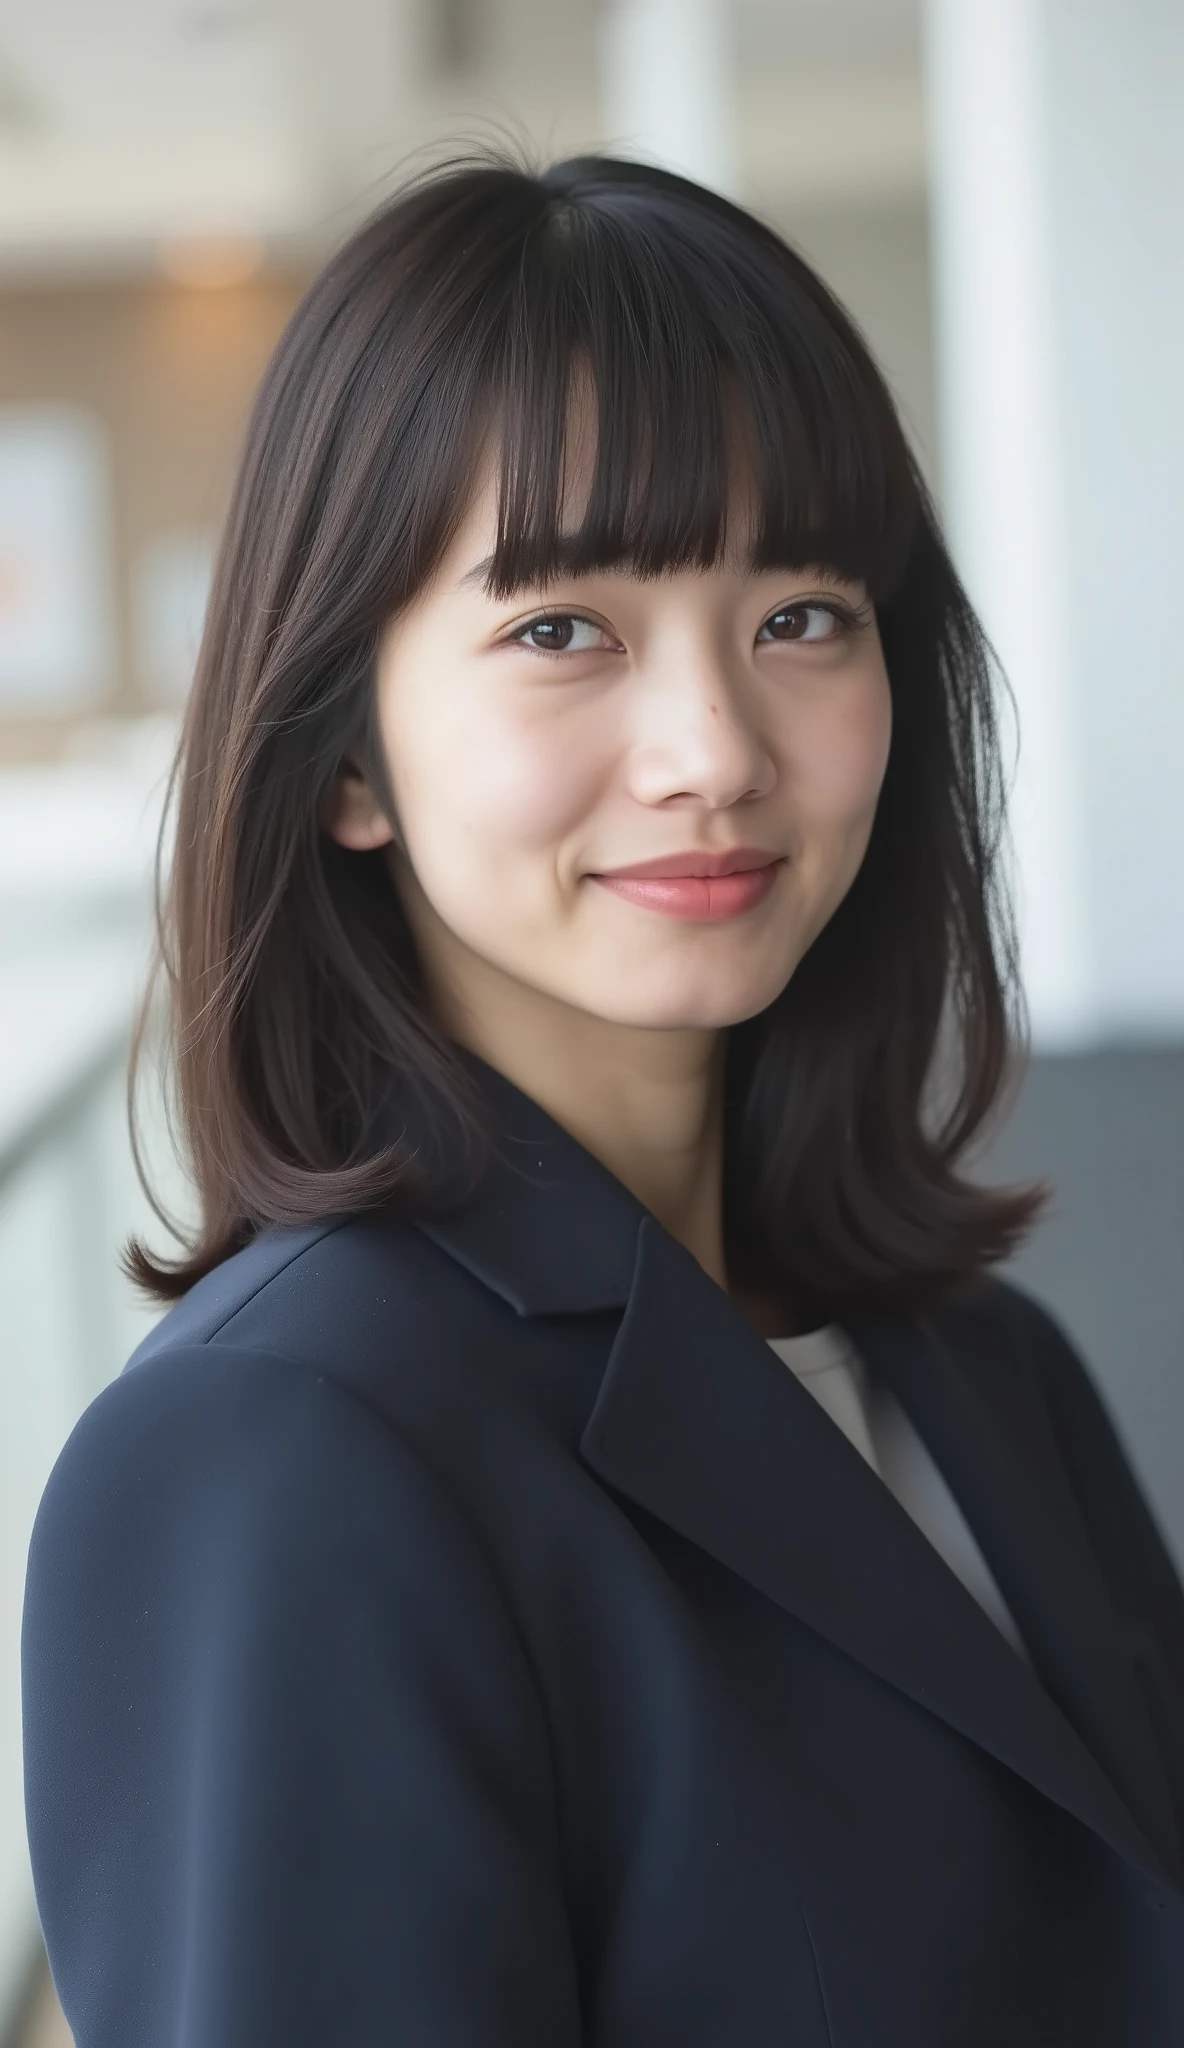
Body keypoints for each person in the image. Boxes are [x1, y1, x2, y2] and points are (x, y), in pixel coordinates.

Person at [22, 153, 1184, 2046]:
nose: (717, 750)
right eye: (564, 631)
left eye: (802, 612)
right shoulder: (279, 1456)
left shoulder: (990, 1369)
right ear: (347, 761)